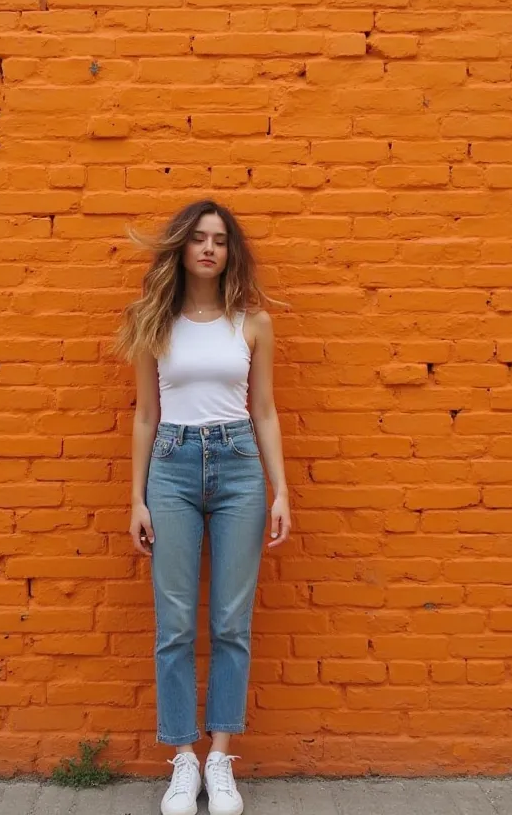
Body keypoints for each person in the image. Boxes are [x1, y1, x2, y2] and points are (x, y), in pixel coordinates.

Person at [117, 199, 291, 815]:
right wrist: (136, 497)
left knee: (231, 621)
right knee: (175, 623)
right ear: (182, 250)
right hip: (172, 469)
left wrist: (281, 491)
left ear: (230, 252)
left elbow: (264, 410)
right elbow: (145, 415)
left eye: (220, 240)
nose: (210, 249)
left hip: (240, 467)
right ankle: (183, 759)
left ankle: (221, 757)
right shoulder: (153, 321)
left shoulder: (252, 322)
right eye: (199, 239)